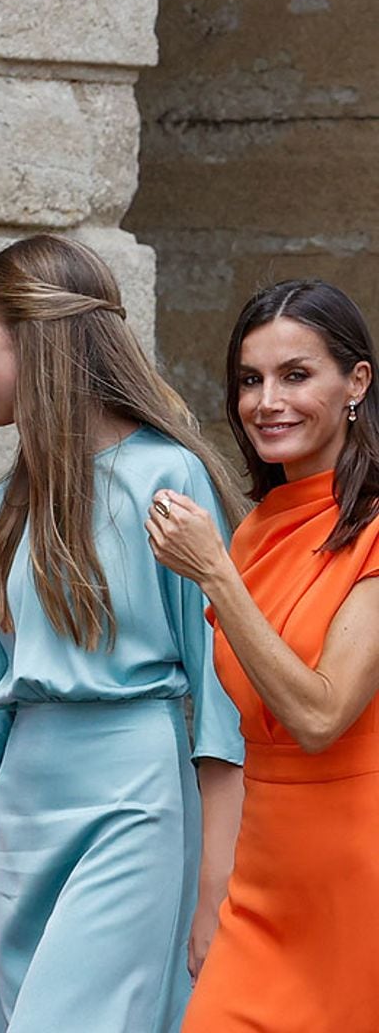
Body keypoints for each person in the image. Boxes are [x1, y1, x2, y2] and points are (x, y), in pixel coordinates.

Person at [0, 234, 247, 1032]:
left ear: (33, 340)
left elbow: (221, 699)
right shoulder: (10, 501)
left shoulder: (166, 478)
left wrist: (216, 881)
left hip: (134, 800)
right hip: (27, 815)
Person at [147, 279, 379, 1032]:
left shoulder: (373, 533)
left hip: (357, 881)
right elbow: (240, 739)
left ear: (357, 383)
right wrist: (217, 889)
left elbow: (318, 714)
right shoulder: (256, 533)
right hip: (261, 885)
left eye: (295, 375)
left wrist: (214, 574)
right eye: (250, 380)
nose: (266, 402)